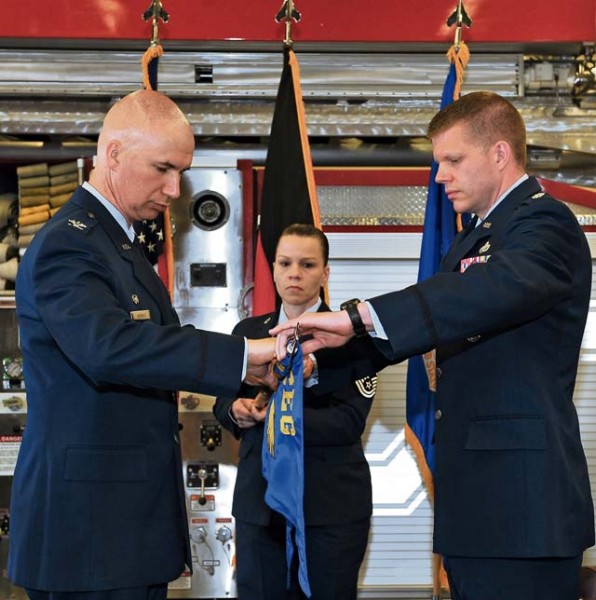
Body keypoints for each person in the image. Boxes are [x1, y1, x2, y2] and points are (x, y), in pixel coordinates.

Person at [271, 92, 595, 600]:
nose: (439, 175)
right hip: (479, 509)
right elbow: (420, 328)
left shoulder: (545, 225)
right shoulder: (476, 240)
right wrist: (317, 364)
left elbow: (479, 294)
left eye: (452, 160)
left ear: (499, 154)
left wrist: (357, 315)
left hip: (522, 511)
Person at [8, 89, 276, 600]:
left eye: (182, 172)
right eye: (163, 169)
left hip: (122, 531)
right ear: (113, 155)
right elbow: (109, 347)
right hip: (88, 537)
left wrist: (244, 371)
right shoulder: (70, 243)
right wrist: (242, 355)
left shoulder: (117, 243)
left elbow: (158, 344)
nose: (175, 189)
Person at [213, 224, 379, 600]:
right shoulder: (249, 331)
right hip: (261, 505)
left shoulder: (352, 338)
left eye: (307, 265)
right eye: (285, 263)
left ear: (325, 273)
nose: (295, 273)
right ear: (272, 268)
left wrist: (274, 415)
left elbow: (347, 423)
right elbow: (222, 402)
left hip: (330, 509)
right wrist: (235, 410)